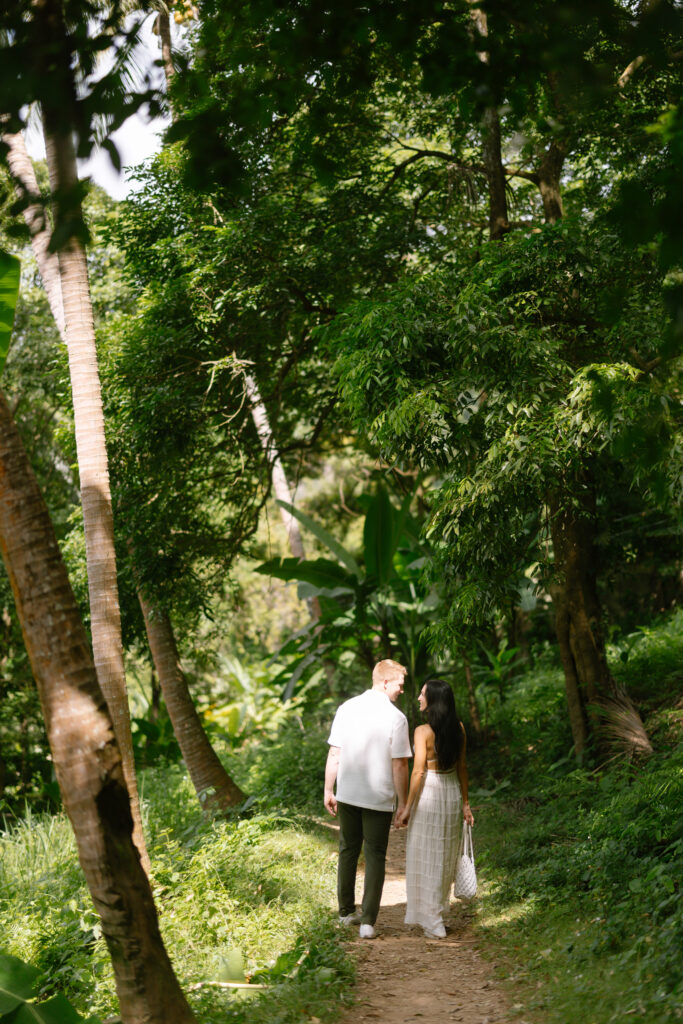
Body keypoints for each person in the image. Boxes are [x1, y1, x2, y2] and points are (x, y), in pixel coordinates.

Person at [324, 659, 412, 939]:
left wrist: (329, 789)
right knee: (375, 855)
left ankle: (345, 912)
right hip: (378, 798)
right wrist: (404, 803)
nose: (401, 690)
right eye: (399, 684)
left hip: (348, 793)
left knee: (348, 850)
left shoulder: (347, 708)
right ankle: (368, 922)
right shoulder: (396, 718)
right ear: (385, 682)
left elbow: (335, 752)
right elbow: (399, 765)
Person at [396, 678, 475, 939]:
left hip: (430, 792)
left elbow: (418, 771)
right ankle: (437, 914)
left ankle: (431, 918)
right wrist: (465, 803)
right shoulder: (459, 729)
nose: (419, 698)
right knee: (444, 854)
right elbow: (462, 767)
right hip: (451, 791)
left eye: (422, 694)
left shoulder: (422, 732)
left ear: (434, 701)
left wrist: (406, 806)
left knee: (426, 853)